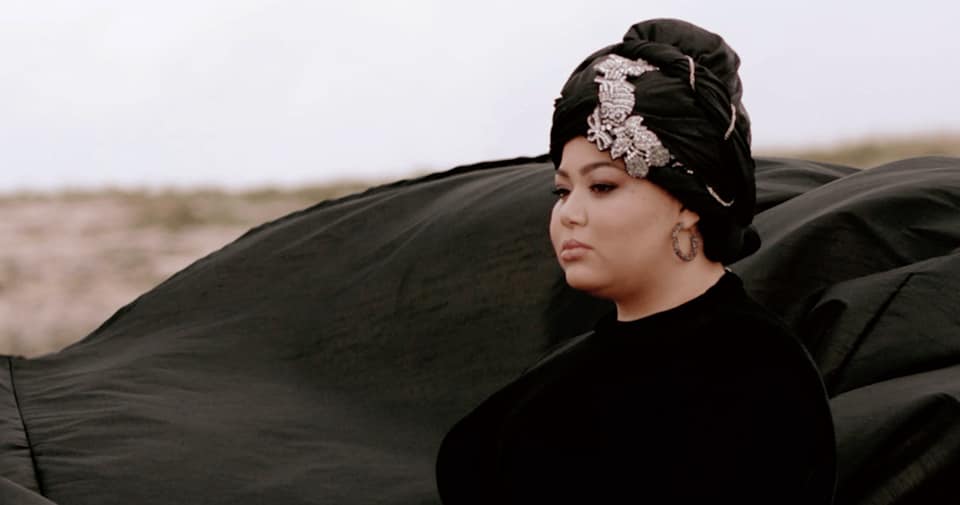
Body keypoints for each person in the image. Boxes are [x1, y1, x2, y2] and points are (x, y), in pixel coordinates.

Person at [434, 18, 837, 504]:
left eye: (602, 185)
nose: (569, 215)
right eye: (561, 191)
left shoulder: (751, 375)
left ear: (690, 201)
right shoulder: (578, 363)